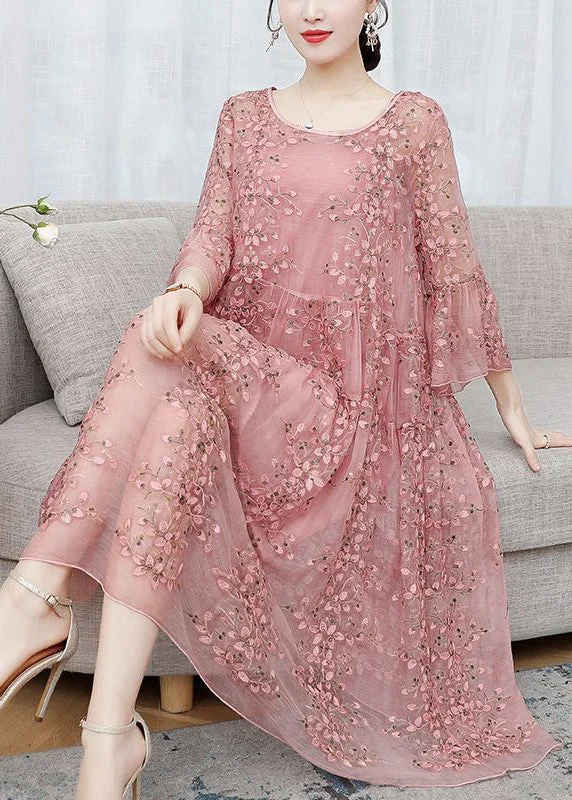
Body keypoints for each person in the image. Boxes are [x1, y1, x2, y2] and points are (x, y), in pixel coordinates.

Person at [0, 1, 568, 795]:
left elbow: (453, 263)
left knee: (159, 352)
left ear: (373, 3)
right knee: (174, 419)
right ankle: (108, 741)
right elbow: (212, 235)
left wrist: (511, 404)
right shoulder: (242, 117)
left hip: (343, 416)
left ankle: (32, 599)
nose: (310, 8)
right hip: (245, 401)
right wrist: (185, 289)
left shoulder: (413, 123)